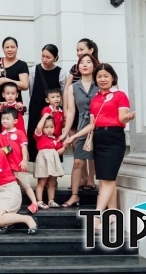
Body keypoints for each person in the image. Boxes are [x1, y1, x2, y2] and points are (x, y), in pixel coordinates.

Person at [66, 63, 135, 230]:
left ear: (112, 77)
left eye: (106, 76)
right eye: (99, 76)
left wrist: (128, 118)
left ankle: (97, 214)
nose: (102, 79)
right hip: (99, 137)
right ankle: (113, 214)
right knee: (104, 178)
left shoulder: (120, 95)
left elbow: (121, 118)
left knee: (109, 178)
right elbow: (91, 124)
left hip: (114, 138)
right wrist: (74, 136)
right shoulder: (96, 99)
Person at [61, 53, 101, 207]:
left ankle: (102, 197)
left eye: (88, 62)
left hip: (101, 126)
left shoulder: (100, 83)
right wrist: (65, 132)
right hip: (83, 126)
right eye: (81, 62)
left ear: (94, 65)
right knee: (78, 162)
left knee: (100, 163)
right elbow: (71, 112)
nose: (84, 65)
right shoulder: (72, 87)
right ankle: (74, 195)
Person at [27, 44, 68, 163]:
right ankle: (38, 167)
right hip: (36, 107)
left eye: (48, 57)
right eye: (43, 56)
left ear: (55, 58)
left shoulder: (61, 72)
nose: (44, 59)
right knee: (36, 134)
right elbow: (31, 88)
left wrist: (62, 110)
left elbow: (64, 93)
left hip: (54, 109)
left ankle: (53, 169)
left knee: (53, 134)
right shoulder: (34, 69)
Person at [0, 108, 38, 213]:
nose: (5, 121)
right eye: (3, 119)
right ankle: (14, 206)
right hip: (7, 169)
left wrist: (24, 160)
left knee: (26, 185)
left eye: (7, 119)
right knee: (13, 189)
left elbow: (24, 147)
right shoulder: (0, 136)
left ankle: (34, 203)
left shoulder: (19, 133)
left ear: (15, 121)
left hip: (18, 165)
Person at [33, 114, 66, 209]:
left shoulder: (55, 139)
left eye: (51, 127)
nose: (49, 129)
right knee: (42, 181)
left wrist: (65, 146)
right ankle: (39, 201)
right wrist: (44, 117)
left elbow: (59, 152)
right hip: (43, 160)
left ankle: (51, 200)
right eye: (46, 127)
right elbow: (38, 128)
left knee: (52, 182)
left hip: (53, 161)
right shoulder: (39, 136)